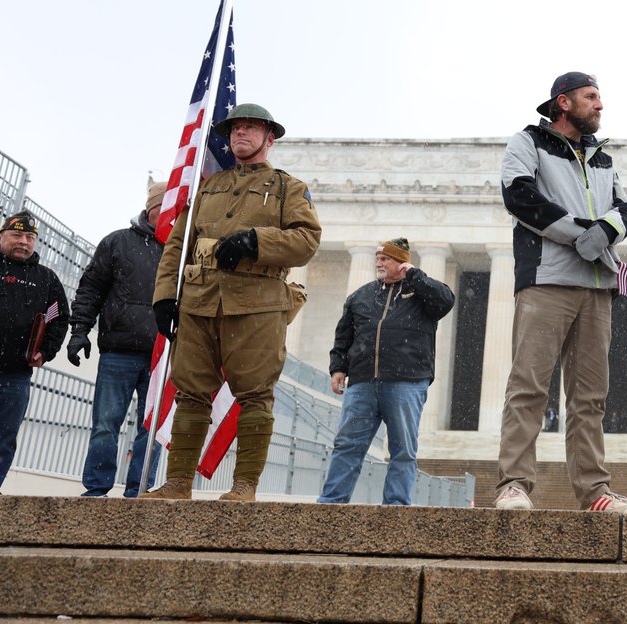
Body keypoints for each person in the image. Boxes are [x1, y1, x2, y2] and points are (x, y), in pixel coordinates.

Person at [144, 104, 321, 502]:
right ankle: (176, 484)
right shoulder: (208, 187)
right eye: (236, 128)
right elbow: (178, 245)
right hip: (199, 300)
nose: (241, 133)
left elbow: (306, 240)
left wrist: (256, 242)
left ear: (268, 138)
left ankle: (244, 487)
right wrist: (164, 297)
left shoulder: (287, 188)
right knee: (190, 391)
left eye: (251, 128)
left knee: (255, 394)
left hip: (256, 304)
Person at [494, 71, 627, 514]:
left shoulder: (602, 158)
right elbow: (519, 197)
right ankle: (514, 484)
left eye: (600, 98)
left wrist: (605, 232)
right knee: (529, 386)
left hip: (596, 285)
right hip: (547, 279)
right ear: (563, 102)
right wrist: (580, 234)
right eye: (590, 97)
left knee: (590, 396)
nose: (599, 105)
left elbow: (624, 209)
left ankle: (595, 490)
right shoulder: (527, 143)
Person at [317, 238, 454, 506]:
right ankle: (331, 503)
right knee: (347, 445)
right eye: (378, 259)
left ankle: (396, 506)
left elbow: (445, 301)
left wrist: (414, 275)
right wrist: (338, 367)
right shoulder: (361, 296)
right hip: (363, 382)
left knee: (402, 449)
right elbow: (344, 336)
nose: (379, 263)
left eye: (385, 259)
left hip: (407, 381)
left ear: (400, 262)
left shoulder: (420, 294)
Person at [69, 183, 167, 497]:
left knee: (152, 429)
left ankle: (139, 490)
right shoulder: (116, 242)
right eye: (163, 206)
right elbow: (90, 290)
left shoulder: (183, 250)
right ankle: (97, 488)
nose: (168, 213)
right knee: (105, 425)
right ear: (150, 207)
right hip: (118, 352)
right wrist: (79, 330)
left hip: (163, 356)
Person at [0, 211, 69, 491]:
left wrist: (47, 351)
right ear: (2, 236)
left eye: (30, 237)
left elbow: (58, 317)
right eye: (17, 235)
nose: (24, 242)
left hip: (16, 374)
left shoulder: (46, 279)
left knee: (5, 435)